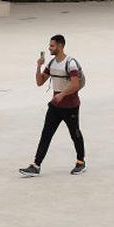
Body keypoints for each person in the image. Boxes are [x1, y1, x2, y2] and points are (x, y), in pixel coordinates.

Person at [19, 34, 86, 176]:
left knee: (75, 134)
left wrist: (61, 95)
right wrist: (38, 66)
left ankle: (80, 162)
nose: (49, 48)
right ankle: (36, 165)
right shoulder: (51, 63)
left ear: (60, 46)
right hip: (55, 107)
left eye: (52, 45)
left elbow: (75, 85)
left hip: (71, 106)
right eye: (50, 45)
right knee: (46, 134)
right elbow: (40, 82)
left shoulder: (70, 63)